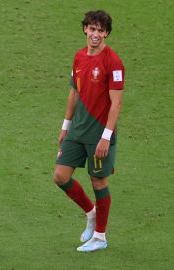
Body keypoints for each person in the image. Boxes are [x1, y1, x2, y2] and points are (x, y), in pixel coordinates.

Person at [53, 10, 125, 252]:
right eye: (91, 29)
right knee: (60, 176)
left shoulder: (113, 62)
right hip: (77, 130)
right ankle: (90, 212)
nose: (95, 34)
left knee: (98, 181)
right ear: (85, 29)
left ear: (106, 33)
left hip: (99, 133)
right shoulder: (79, 57)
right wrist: (66, 126)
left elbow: (116, 103)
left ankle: (100, 237)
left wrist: (106, 137)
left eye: (100, 30)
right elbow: (74, 92)